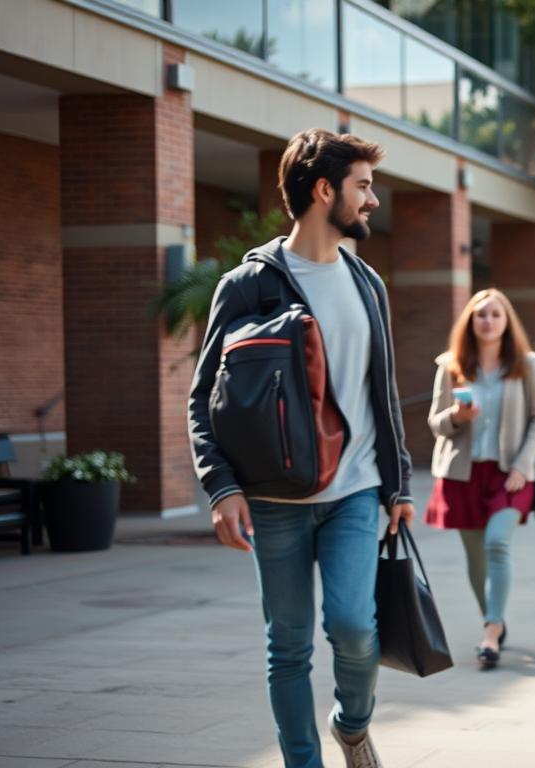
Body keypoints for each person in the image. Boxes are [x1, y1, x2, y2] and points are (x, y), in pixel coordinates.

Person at [188, 128, 414, 768]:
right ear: (324, 190)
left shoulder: (369, 285)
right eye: (363, 187)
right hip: (272, 497)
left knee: (354, 627)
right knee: (287, 645)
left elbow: (383, 394)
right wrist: (221, 486)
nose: (372, 200)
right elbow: (203, 396)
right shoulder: (248, 285)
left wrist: (397, 486)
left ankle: (353, 722)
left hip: (355, 489)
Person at [425, 288, 535, 670]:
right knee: (475, 557)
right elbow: (435, 422)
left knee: (497, 544)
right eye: (481, 315)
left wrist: (523, 466)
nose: (488, 321)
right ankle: (492, 616)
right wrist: (458, 417)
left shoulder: (526, 364)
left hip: (509, 475)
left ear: (506, 320)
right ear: (470, 321)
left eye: (496, 314)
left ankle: (491, 631)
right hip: (463, 474)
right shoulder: (451, 364)